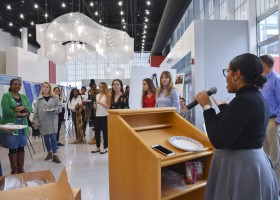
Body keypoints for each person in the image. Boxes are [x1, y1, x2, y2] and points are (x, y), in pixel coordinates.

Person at [195, 53, 278, 199]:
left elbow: (219, 140)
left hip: (242, 169)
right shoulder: (256, 97)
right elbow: (239, 127)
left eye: (227, 72)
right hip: (253, 165)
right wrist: (224, 109)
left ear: (237, 74)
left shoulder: (243, 101)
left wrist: (207, 107)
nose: (226, 77)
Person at [0, 78, 32, 174]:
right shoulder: (6, 96)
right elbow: (5, 110)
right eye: (14, 84)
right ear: (10, 85)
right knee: (13, 146)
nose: (17, 86)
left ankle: (21, 169)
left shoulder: (23, 97)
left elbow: (30, 108)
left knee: (21, 145)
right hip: (11, 126)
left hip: (22, 125)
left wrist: (25, 107)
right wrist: (17, 112)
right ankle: (14, 170)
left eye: (19, 84)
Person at [259, 54, 280, 194]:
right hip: (264, 120)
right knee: (265, 157)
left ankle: (276, 189)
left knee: (275, 158)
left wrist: (277, 122)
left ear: (266, 63)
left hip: (273, 121)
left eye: (260, 63)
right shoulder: (262, 79)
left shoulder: (276, 79)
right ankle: (268, 188)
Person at [33, 82, 62, 163]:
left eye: (47, 87)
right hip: (43, 121)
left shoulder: (55, 98)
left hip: (53, 121)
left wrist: (54, 110)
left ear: (50, 88)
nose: (45, 88)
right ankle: (49, 152)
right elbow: (35, 112)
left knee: (53, 138)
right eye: (44, 87)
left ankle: (55, 155)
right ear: (42, 88)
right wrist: (36, 122)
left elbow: (60, 108)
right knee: (46, 138)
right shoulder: (39, 99)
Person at [91, 82, 110, 154]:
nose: (99, 88)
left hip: (105, 115)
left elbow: (108, 106)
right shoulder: (97, 95)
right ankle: (98, 146)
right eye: (99, 87)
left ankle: (105, 147)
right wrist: (95, 106)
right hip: (98, 115)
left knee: (105, 132)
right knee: (96, 132)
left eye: (101, 87)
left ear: (104, 87)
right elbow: (97, 105)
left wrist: (99, 103)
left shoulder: (108, 95)